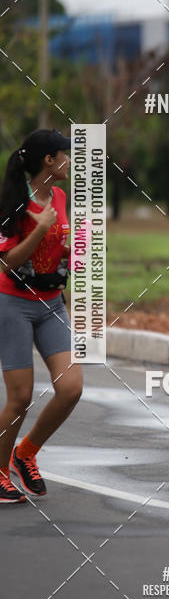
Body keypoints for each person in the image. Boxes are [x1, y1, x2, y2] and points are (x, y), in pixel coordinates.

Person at [0, 129, 82, 504]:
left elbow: (61, 250)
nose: (70, 161)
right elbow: (8, 260)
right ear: (49, 161)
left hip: (51, 303)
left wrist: (76, 249)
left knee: (71, 388)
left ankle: (26, 452)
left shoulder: (61, 196)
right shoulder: (13, 201)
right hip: (12, 303)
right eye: (65, 155)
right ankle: (0, 471)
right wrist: (41, 229)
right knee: (19, 398)